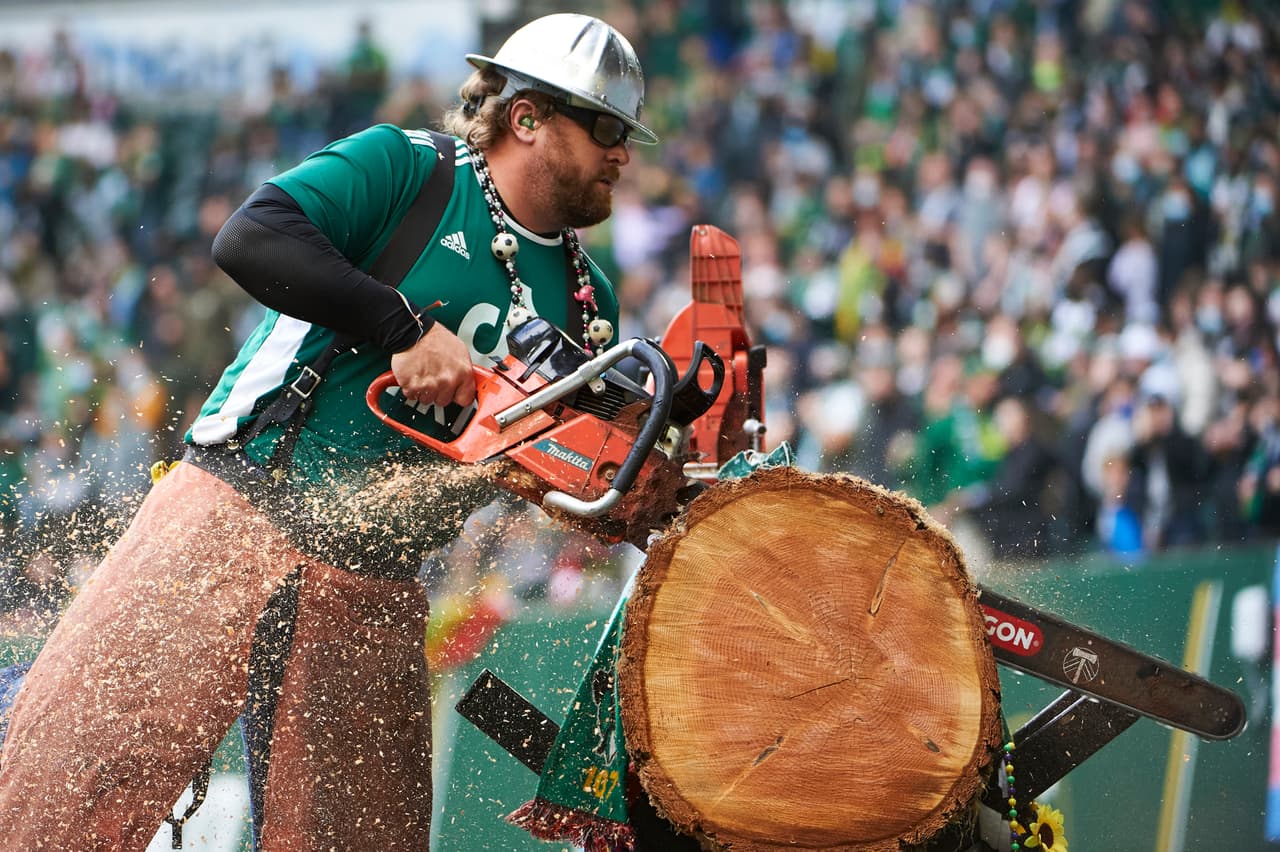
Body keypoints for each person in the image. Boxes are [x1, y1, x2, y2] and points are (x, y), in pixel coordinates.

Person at [0, 12, 655, 850]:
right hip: (237, 512)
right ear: (527, 117)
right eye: (605, 129)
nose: (623, 154)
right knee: (59, 798)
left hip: (377, 582)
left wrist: (639, 466)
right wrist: (402, 326)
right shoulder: (409, 168)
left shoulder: (592, 298)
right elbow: (250, 236)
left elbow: (566, 473)